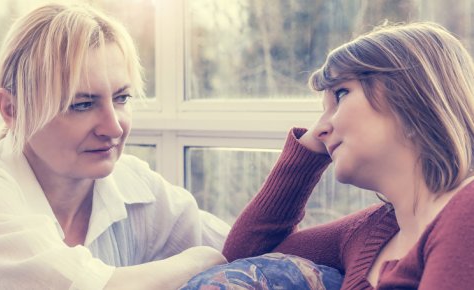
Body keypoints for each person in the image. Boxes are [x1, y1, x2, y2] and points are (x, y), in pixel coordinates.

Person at [181, 22, 474, 289]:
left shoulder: (466, 209)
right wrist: (306, 155)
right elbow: (243, 262)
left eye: (341, 94)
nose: (320, 127)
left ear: (412, 96)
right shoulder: (370, 232)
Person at [0, 3, 230, 289]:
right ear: (12, 110)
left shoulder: (133, 185)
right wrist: (200, 260)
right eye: (82, 104)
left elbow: (243, 245)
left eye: (122, 98)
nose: (114, 127)